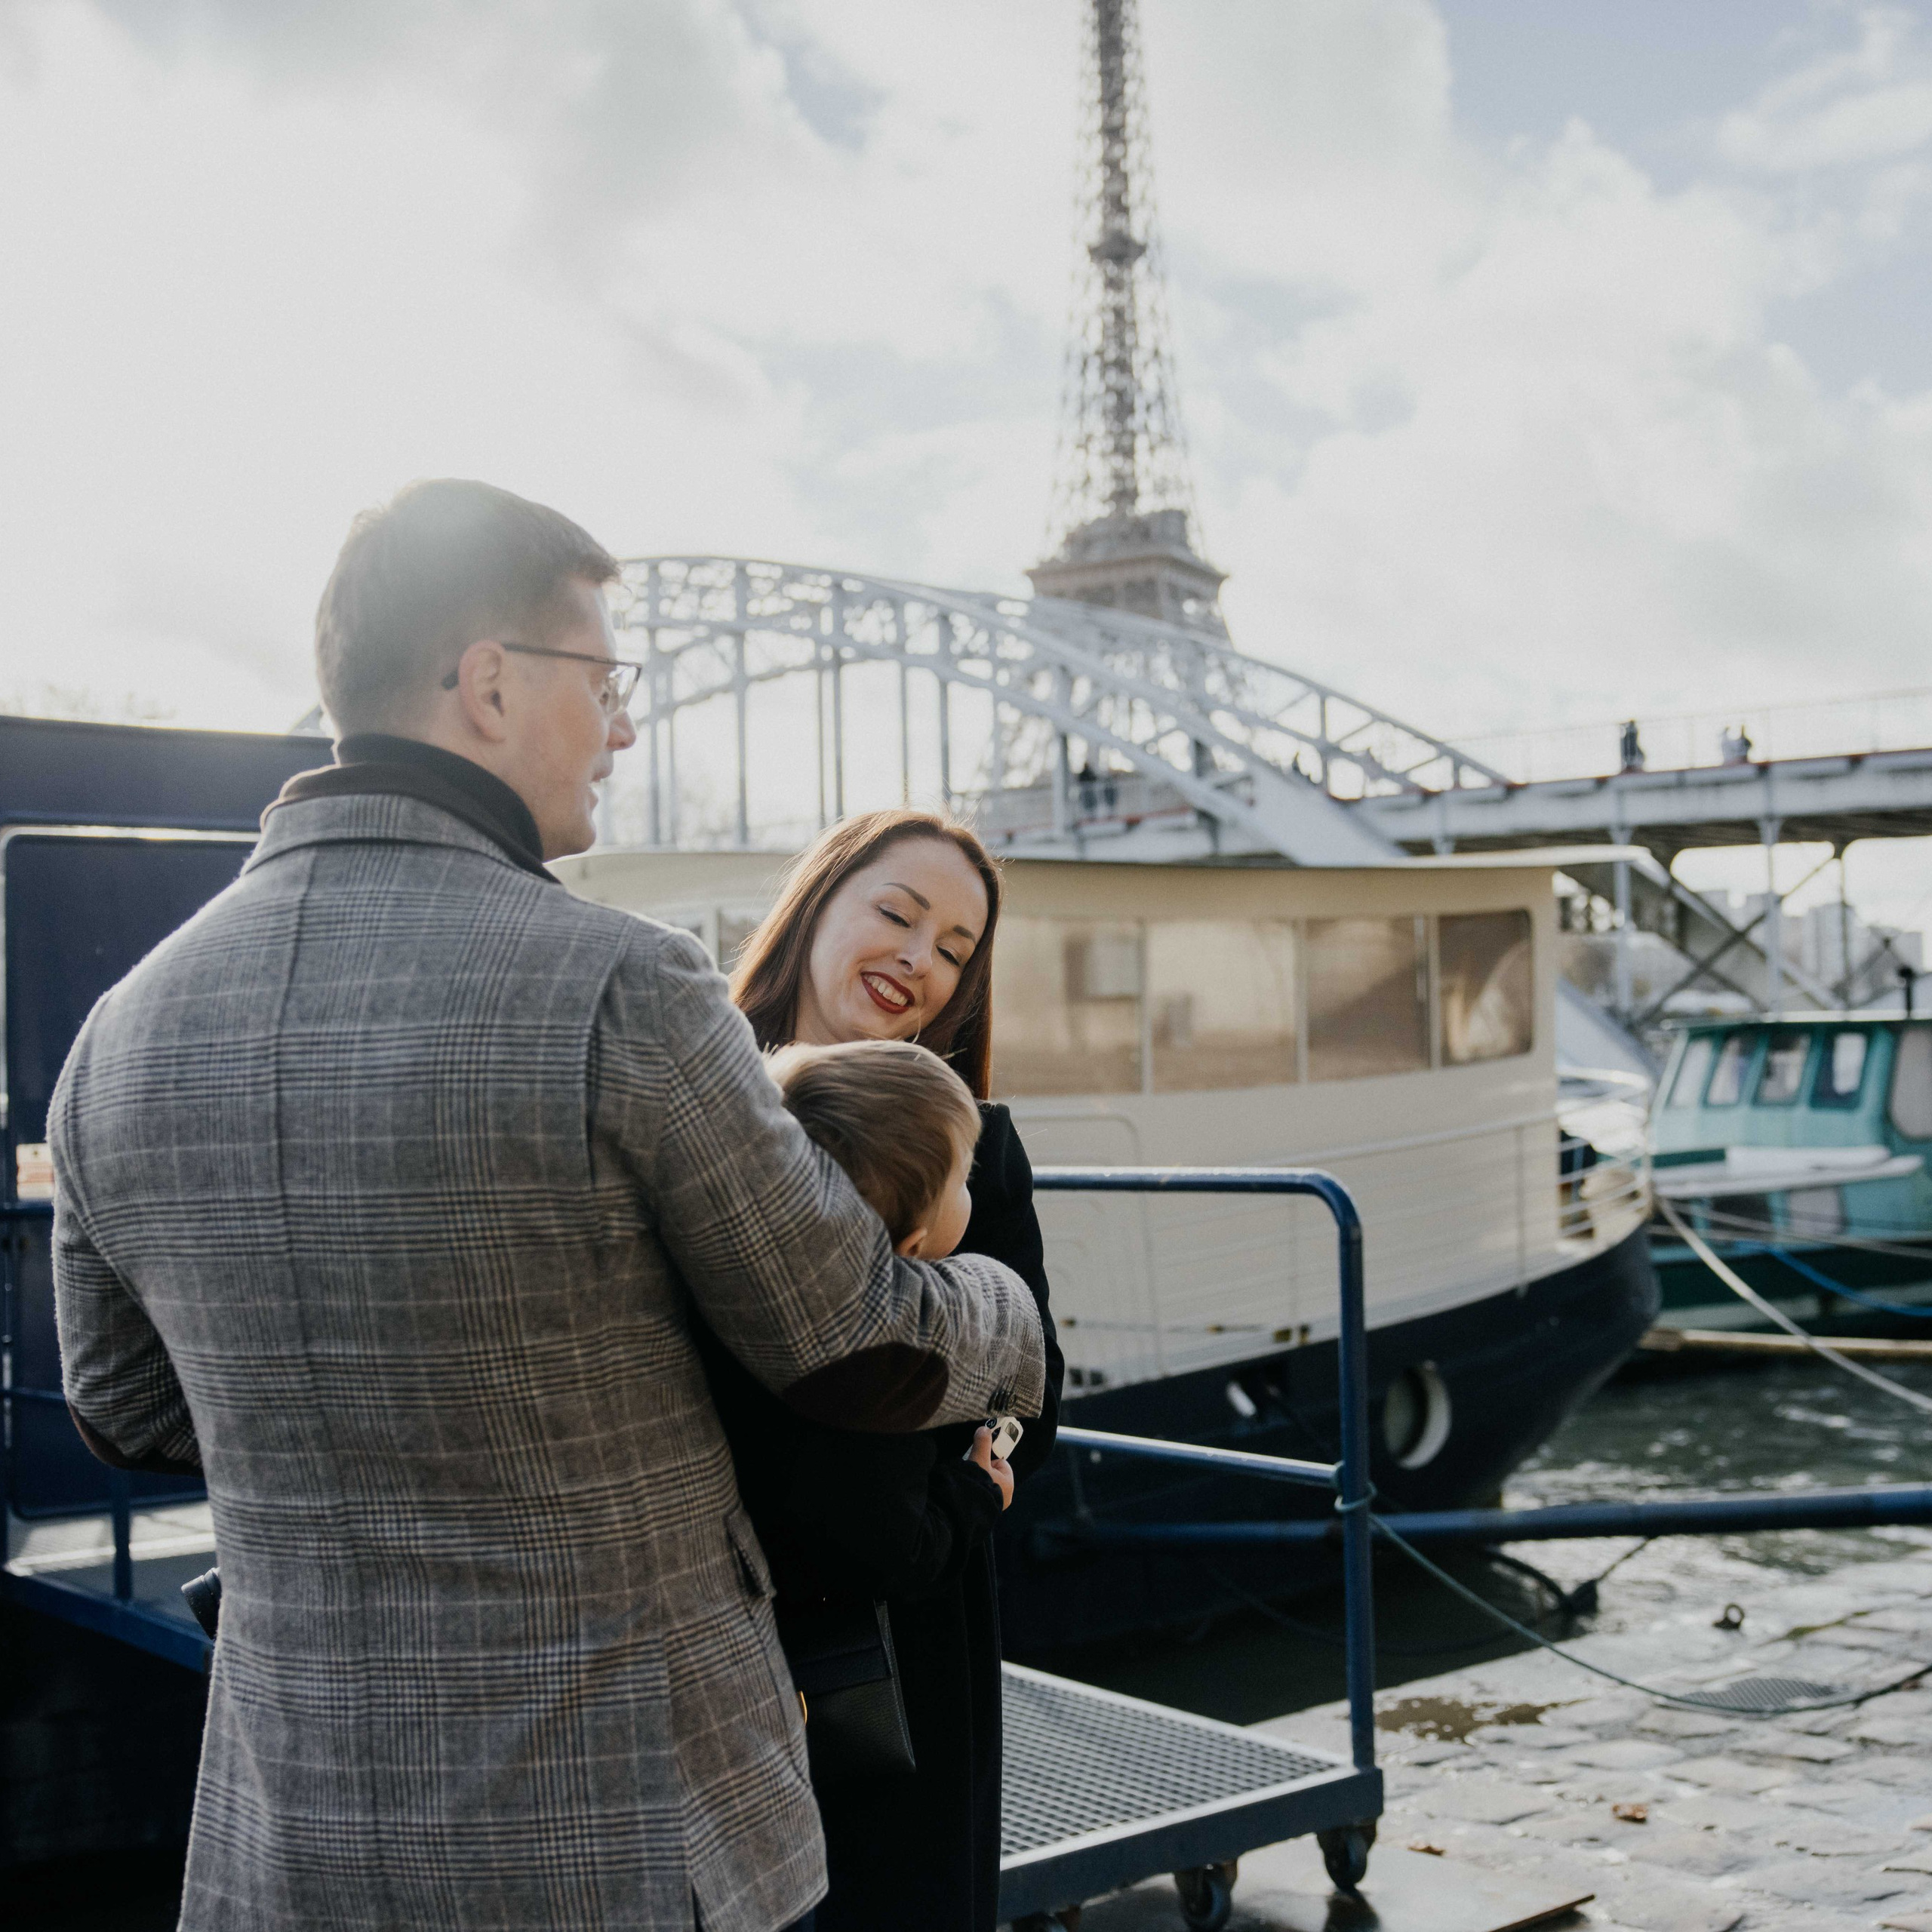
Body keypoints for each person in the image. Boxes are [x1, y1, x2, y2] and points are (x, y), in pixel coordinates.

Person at [50, 480, 1046, 1932]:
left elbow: (125, 1413)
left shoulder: (121, 1033)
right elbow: (848, 1334)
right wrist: (1010, 1310)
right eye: (607, 681)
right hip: (621, 1837)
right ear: (492, 686)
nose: (626, 727)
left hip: (291, 1837)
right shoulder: (621, 986)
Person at [712, 809, 1065, 1932]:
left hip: (904, 1633)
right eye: (898, 915)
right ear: (817, 904)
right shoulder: (698, 1112)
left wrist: (980, 1460)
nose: (921, 959)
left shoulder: (975, 1144)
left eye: (956, 949)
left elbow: (1036, 1390)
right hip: (710, 1613)